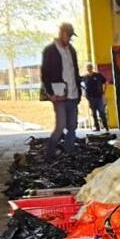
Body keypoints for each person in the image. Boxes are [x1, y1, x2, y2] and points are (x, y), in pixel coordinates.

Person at [41, 23, 82, 157]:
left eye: (71, 36)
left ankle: (69, 152)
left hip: (73, 93)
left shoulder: (72, 50)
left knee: (72, 126)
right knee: (60, 126)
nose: (69, 39)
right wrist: (50, 93)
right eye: (68, 35)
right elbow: (45, 73)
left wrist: (79, 92)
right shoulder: (50, 51)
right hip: (58, 94)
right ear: (62, 33)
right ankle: (50, 152)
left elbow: (75, 71)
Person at [80, 63, 108, 132]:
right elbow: (80, 84)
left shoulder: (98, 75)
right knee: (94, 113)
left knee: (102, 112)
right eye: (88, 67)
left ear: (92, 68)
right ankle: (97, 127)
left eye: (90, 67)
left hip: (98, 97)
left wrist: (104, 91)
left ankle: (106, 126)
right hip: (90, 98)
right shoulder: (85, 77)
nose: (89, 68)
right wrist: (84, 92)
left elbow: (105, 82)